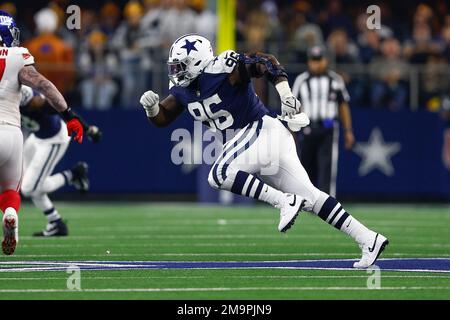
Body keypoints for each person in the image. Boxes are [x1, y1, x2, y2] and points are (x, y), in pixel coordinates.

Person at [139, 34, 388, 268]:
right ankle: (368, 238)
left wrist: (285, 94)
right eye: (174, 66)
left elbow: (265, 61)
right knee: (311, 197)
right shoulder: (182, 90)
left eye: (181, 65)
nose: (176, 72)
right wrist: (152, 109)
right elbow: (163, 118)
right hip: (256, 141)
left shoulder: (222, 69)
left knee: (219, 174)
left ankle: (284, 201)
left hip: (260, 130)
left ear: (198, 62)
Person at [0, 11, 84, 255]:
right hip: (13, 135)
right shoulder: (18, 55)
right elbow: (44, 85)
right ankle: (12, 215)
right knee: (11, 190)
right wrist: (69, 115)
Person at [20, 85, 102, 237]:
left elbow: (59, 108)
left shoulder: (25, 95)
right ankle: (56, 223)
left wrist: (87, 128)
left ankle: (73, 174)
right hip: (36, 137)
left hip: (53, 138)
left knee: (28, 188)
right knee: (28, 183)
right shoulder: (6, 92)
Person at [292, 45, 354, 197]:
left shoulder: (335, 80)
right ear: (309, 62)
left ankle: (327, 204)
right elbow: (293, 106)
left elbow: (343, 106)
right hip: (307, 128)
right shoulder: (301, 80)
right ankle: (305, 200)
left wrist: (348, 131)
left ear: (325, 61)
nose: (316, 64)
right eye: (313, 60)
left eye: (319, 60)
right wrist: (292, 131)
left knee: (327, 166)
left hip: (328, 128)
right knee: (306, 166)